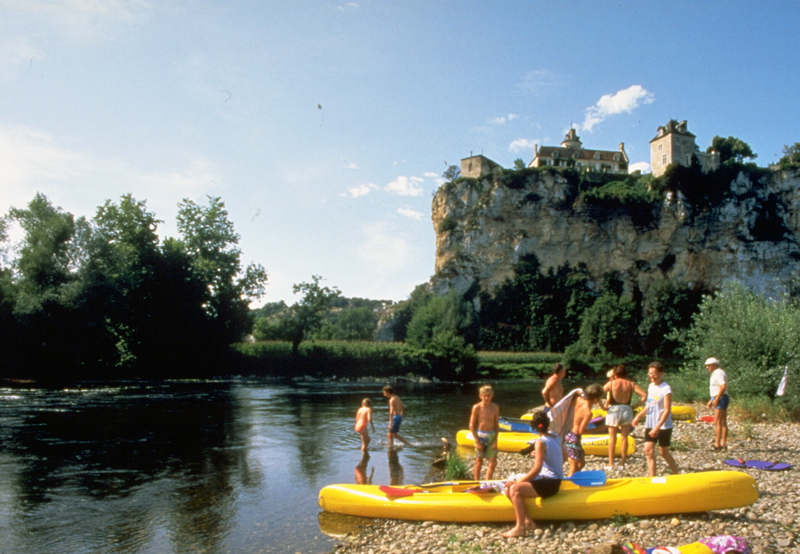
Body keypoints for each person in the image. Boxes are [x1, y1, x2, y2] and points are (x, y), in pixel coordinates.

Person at [500, 410, 563, 539]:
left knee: (515, 488)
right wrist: (539, 454)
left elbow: (537, 469)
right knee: (508, 489)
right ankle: (528, 521)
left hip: (551, 483)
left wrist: (518, 482)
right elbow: (560, 455)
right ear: (547, 424)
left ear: (534, 427)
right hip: (549, 480)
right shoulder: (554, 436)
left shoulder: (540, 442)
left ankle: (520, 528)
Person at [633, 362, 679, 477]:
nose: (652, 376)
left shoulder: (666, 389)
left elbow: (667, 410)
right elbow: (649, 404)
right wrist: (638, 416)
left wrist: (657, 428)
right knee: (648, 451)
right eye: (650, 374)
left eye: (655, 374)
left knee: (664, 452)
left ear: (661, 373)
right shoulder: (651, 386)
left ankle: (677, 475)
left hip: (663, 425)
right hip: (650, 423)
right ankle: (652, 478)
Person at [602, 364, 646, 471]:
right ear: (625, 374)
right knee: (624, 438)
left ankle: (611, 464)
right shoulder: (631, 384)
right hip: (627, 409)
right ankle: (622, 464)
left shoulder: (611, 383)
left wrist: (602, 406)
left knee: (612, 439)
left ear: (615, 374)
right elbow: (644, 396)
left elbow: (598, 393)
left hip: (614, 410)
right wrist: (635, 406)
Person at [565, 384, 604, 477]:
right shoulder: (588, 413)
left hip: (569, 434)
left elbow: (575, 395)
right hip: (574, 437)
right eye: (599, 398)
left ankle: (574, 480)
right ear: (595, 399)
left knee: (581, 463)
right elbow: (581, 431)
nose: (599, 401)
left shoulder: (579, 400)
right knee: (573, 466)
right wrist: (598, 429)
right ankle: (568, 484)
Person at [469, 384, 500, 480]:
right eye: (484, 396)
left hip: (491, 435)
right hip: (480, 435)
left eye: (488, 396)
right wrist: (477, 441)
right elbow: (471, 425)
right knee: (479, 461)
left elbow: (496, 424)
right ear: (480, 396)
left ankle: (487, 482)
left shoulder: (495, 407)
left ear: (492, 395)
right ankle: (476, 483)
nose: (486, 398)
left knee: (493, 462)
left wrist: (495, 440)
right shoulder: (477, 407)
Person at [705, 357, 729, 450]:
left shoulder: (719, 373)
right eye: (706, 366)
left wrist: (717, 399)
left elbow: (723, 386)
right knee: (722, 422)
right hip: (719, 397)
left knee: (718, 421)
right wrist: (711, 400)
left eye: (709, 365)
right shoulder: (716, 373)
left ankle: (717, 444)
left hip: (721, 398)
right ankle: (723, 444)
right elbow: (717, 388)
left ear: (715, 365)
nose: (707, 367)